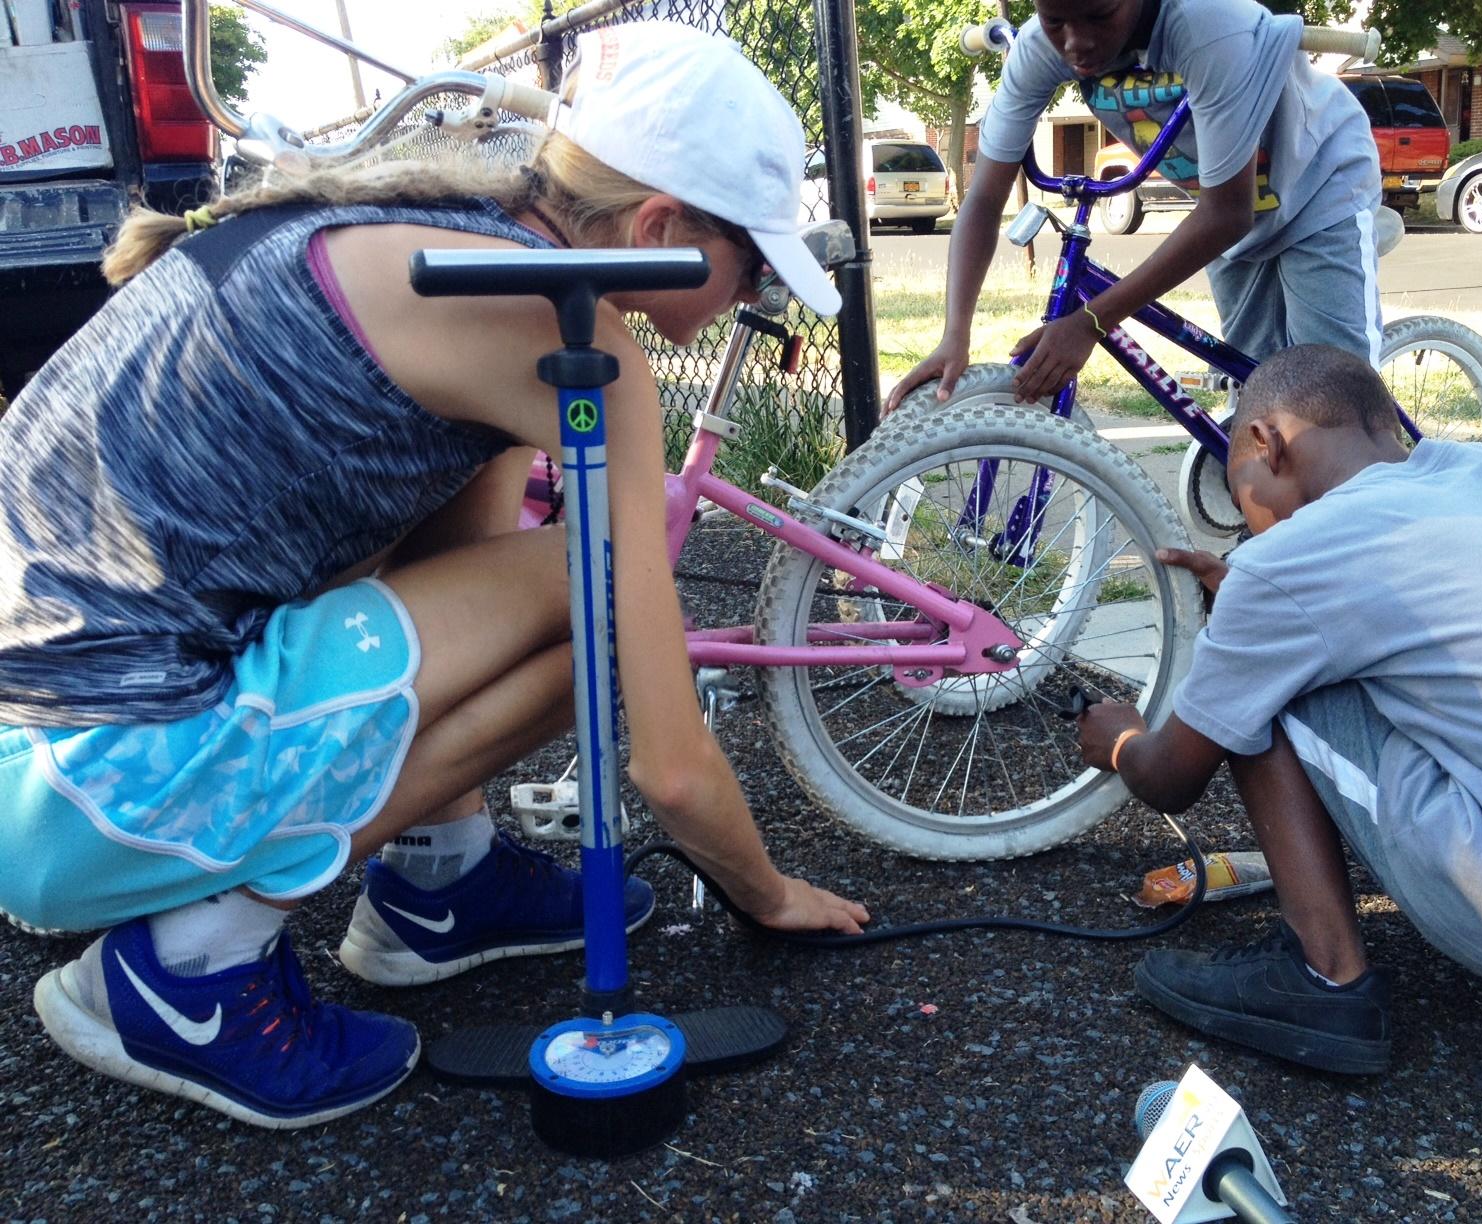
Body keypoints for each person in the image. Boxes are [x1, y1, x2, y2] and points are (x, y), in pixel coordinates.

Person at [0, 22, 867, 1130]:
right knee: (592, 589)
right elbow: (671, 767)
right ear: (660, 228)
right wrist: (771, 895)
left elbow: (440, 569)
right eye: (754, 272)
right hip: (94, 791)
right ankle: (191, 973)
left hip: (44, 766)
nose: (758, 303)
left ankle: (440, 880)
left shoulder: (432, 235)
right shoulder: (570, 326)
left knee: (549, 581)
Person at [1075, 344, 1482, 1075]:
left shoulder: (1285, 566)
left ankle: (1324, 977)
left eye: (1236, 485)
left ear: (1264, 444)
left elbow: (1169, 779)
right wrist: (1254, 595)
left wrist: (1118, 740)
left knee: (1267, 686)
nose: (1242, 517)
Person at [886, 0, 1385, 413]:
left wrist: (1093, 320)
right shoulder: (1044, 47)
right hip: (1237, 219)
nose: (1075, 42)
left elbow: (1228, 211)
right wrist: (955, 334)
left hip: (1321, 181)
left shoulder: (1205, 25)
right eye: (1054, 20)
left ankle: (1390, 496)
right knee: (1258, 390)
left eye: (1099, 17)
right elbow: (985, 199)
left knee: (1334, 404)